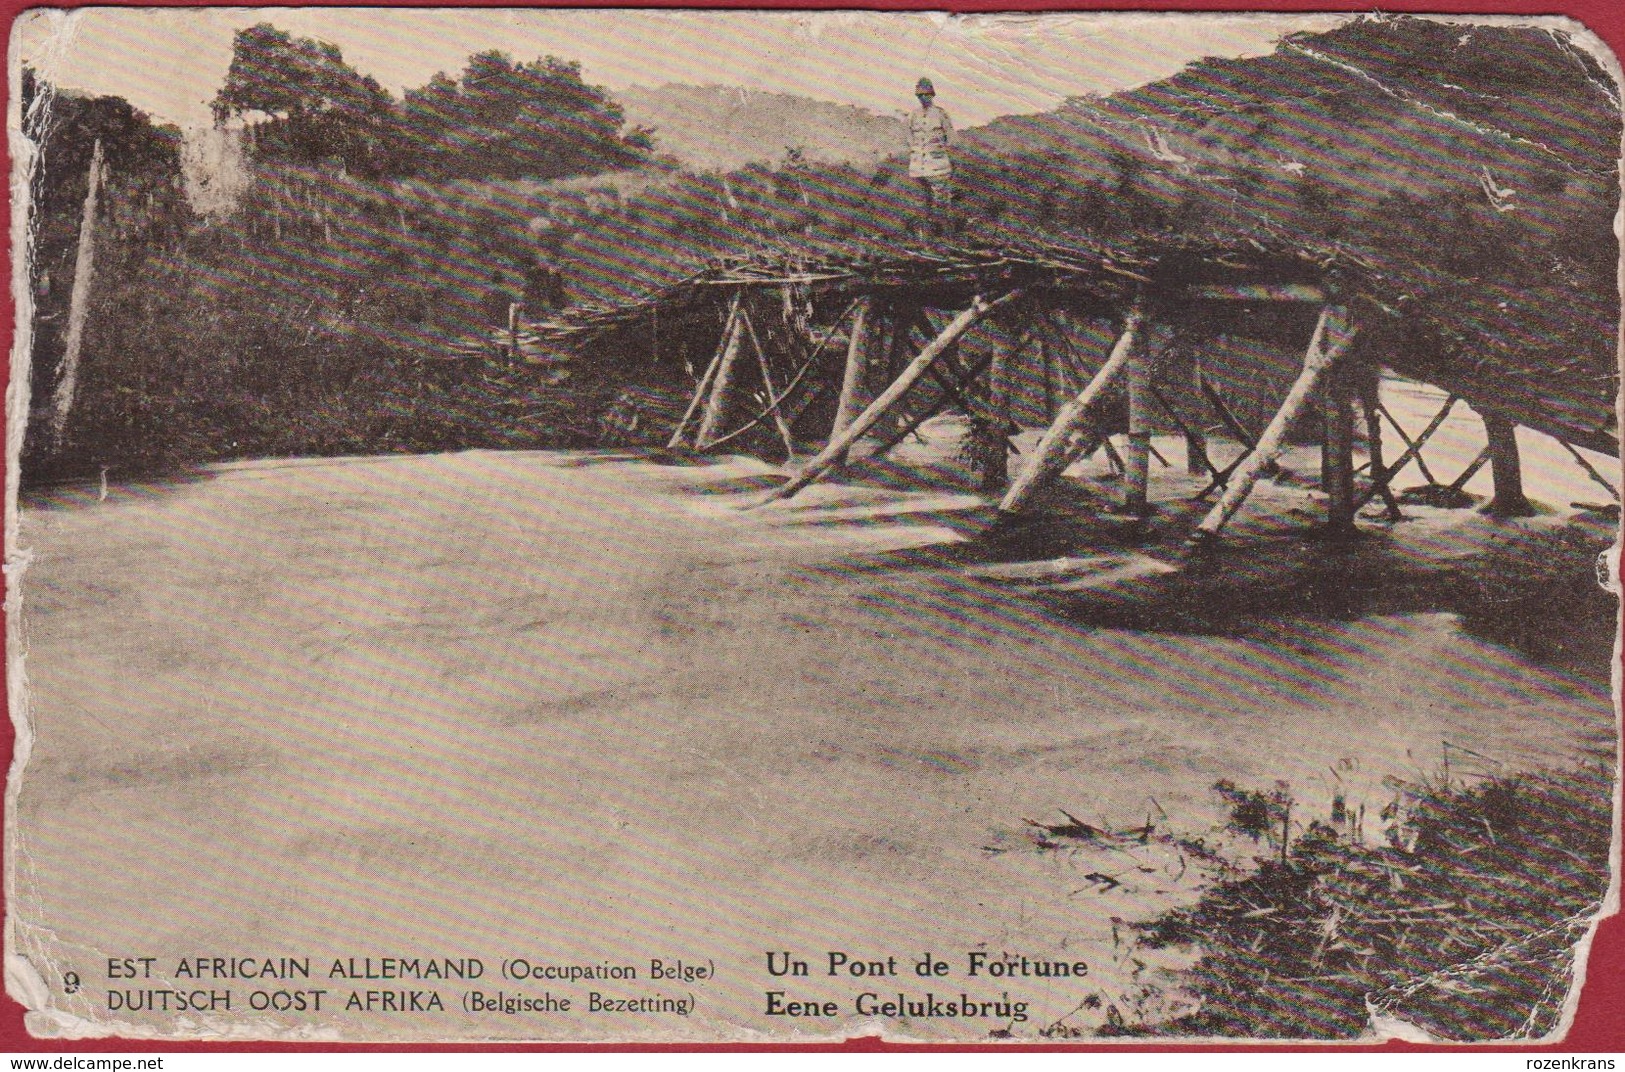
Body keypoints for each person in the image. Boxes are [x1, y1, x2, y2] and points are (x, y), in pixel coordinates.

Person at [908, 77, 955, 239]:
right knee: (921, 204)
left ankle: (945, 238)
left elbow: (951, 138)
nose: (922, 98)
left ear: (932, 94)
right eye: (919, 95)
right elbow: (909, 137)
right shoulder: (913, 115)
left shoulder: (940, 114)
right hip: (918, 167)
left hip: (937, 166)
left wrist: (938, 150)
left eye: (925, 94)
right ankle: (925, 240)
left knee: (941, 203)